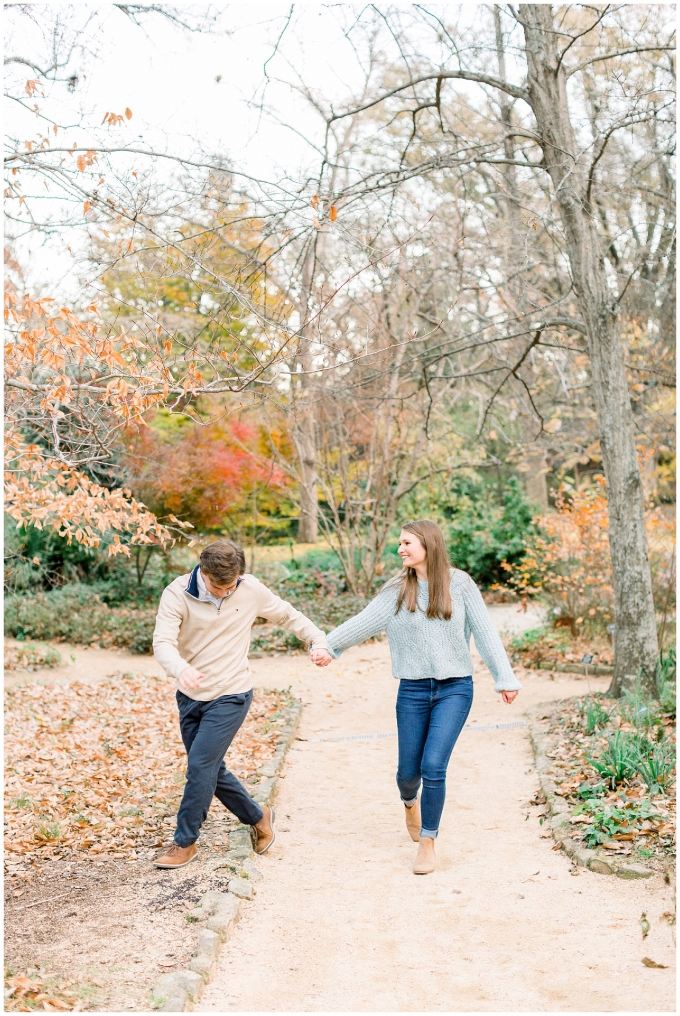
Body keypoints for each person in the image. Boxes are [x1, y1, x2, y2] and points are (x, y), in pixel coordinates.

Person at [312, 519, 521, 875]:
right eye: (399, 543)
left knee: (433, 766)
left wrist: (505, 677)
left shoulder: (461, 584)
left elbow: (486, 633)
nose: (400, 549)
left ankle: (428, 841)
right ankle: (410, 803)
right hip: (412, 690)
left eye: (407, 542)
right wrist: (329, 646)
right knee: (408, 774)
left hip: (455, 688)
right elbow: (364, 622)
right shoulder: (396, 589)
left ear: (429, 544)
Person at [152, 538, 330, 869]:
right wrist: (180, 668)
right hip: (190, 694)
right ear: (202, 572)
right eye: (217, 586)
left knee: (201, 766)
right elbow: (162, 641)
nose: (223, 593)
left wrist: (318, 640)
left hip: (232, 694)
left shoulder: (250, 590)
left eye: (230, 586)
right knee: (210, 767)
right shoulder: (176, 593)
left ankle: (185, 842)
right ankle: (259, 816)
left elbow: (288, 616)